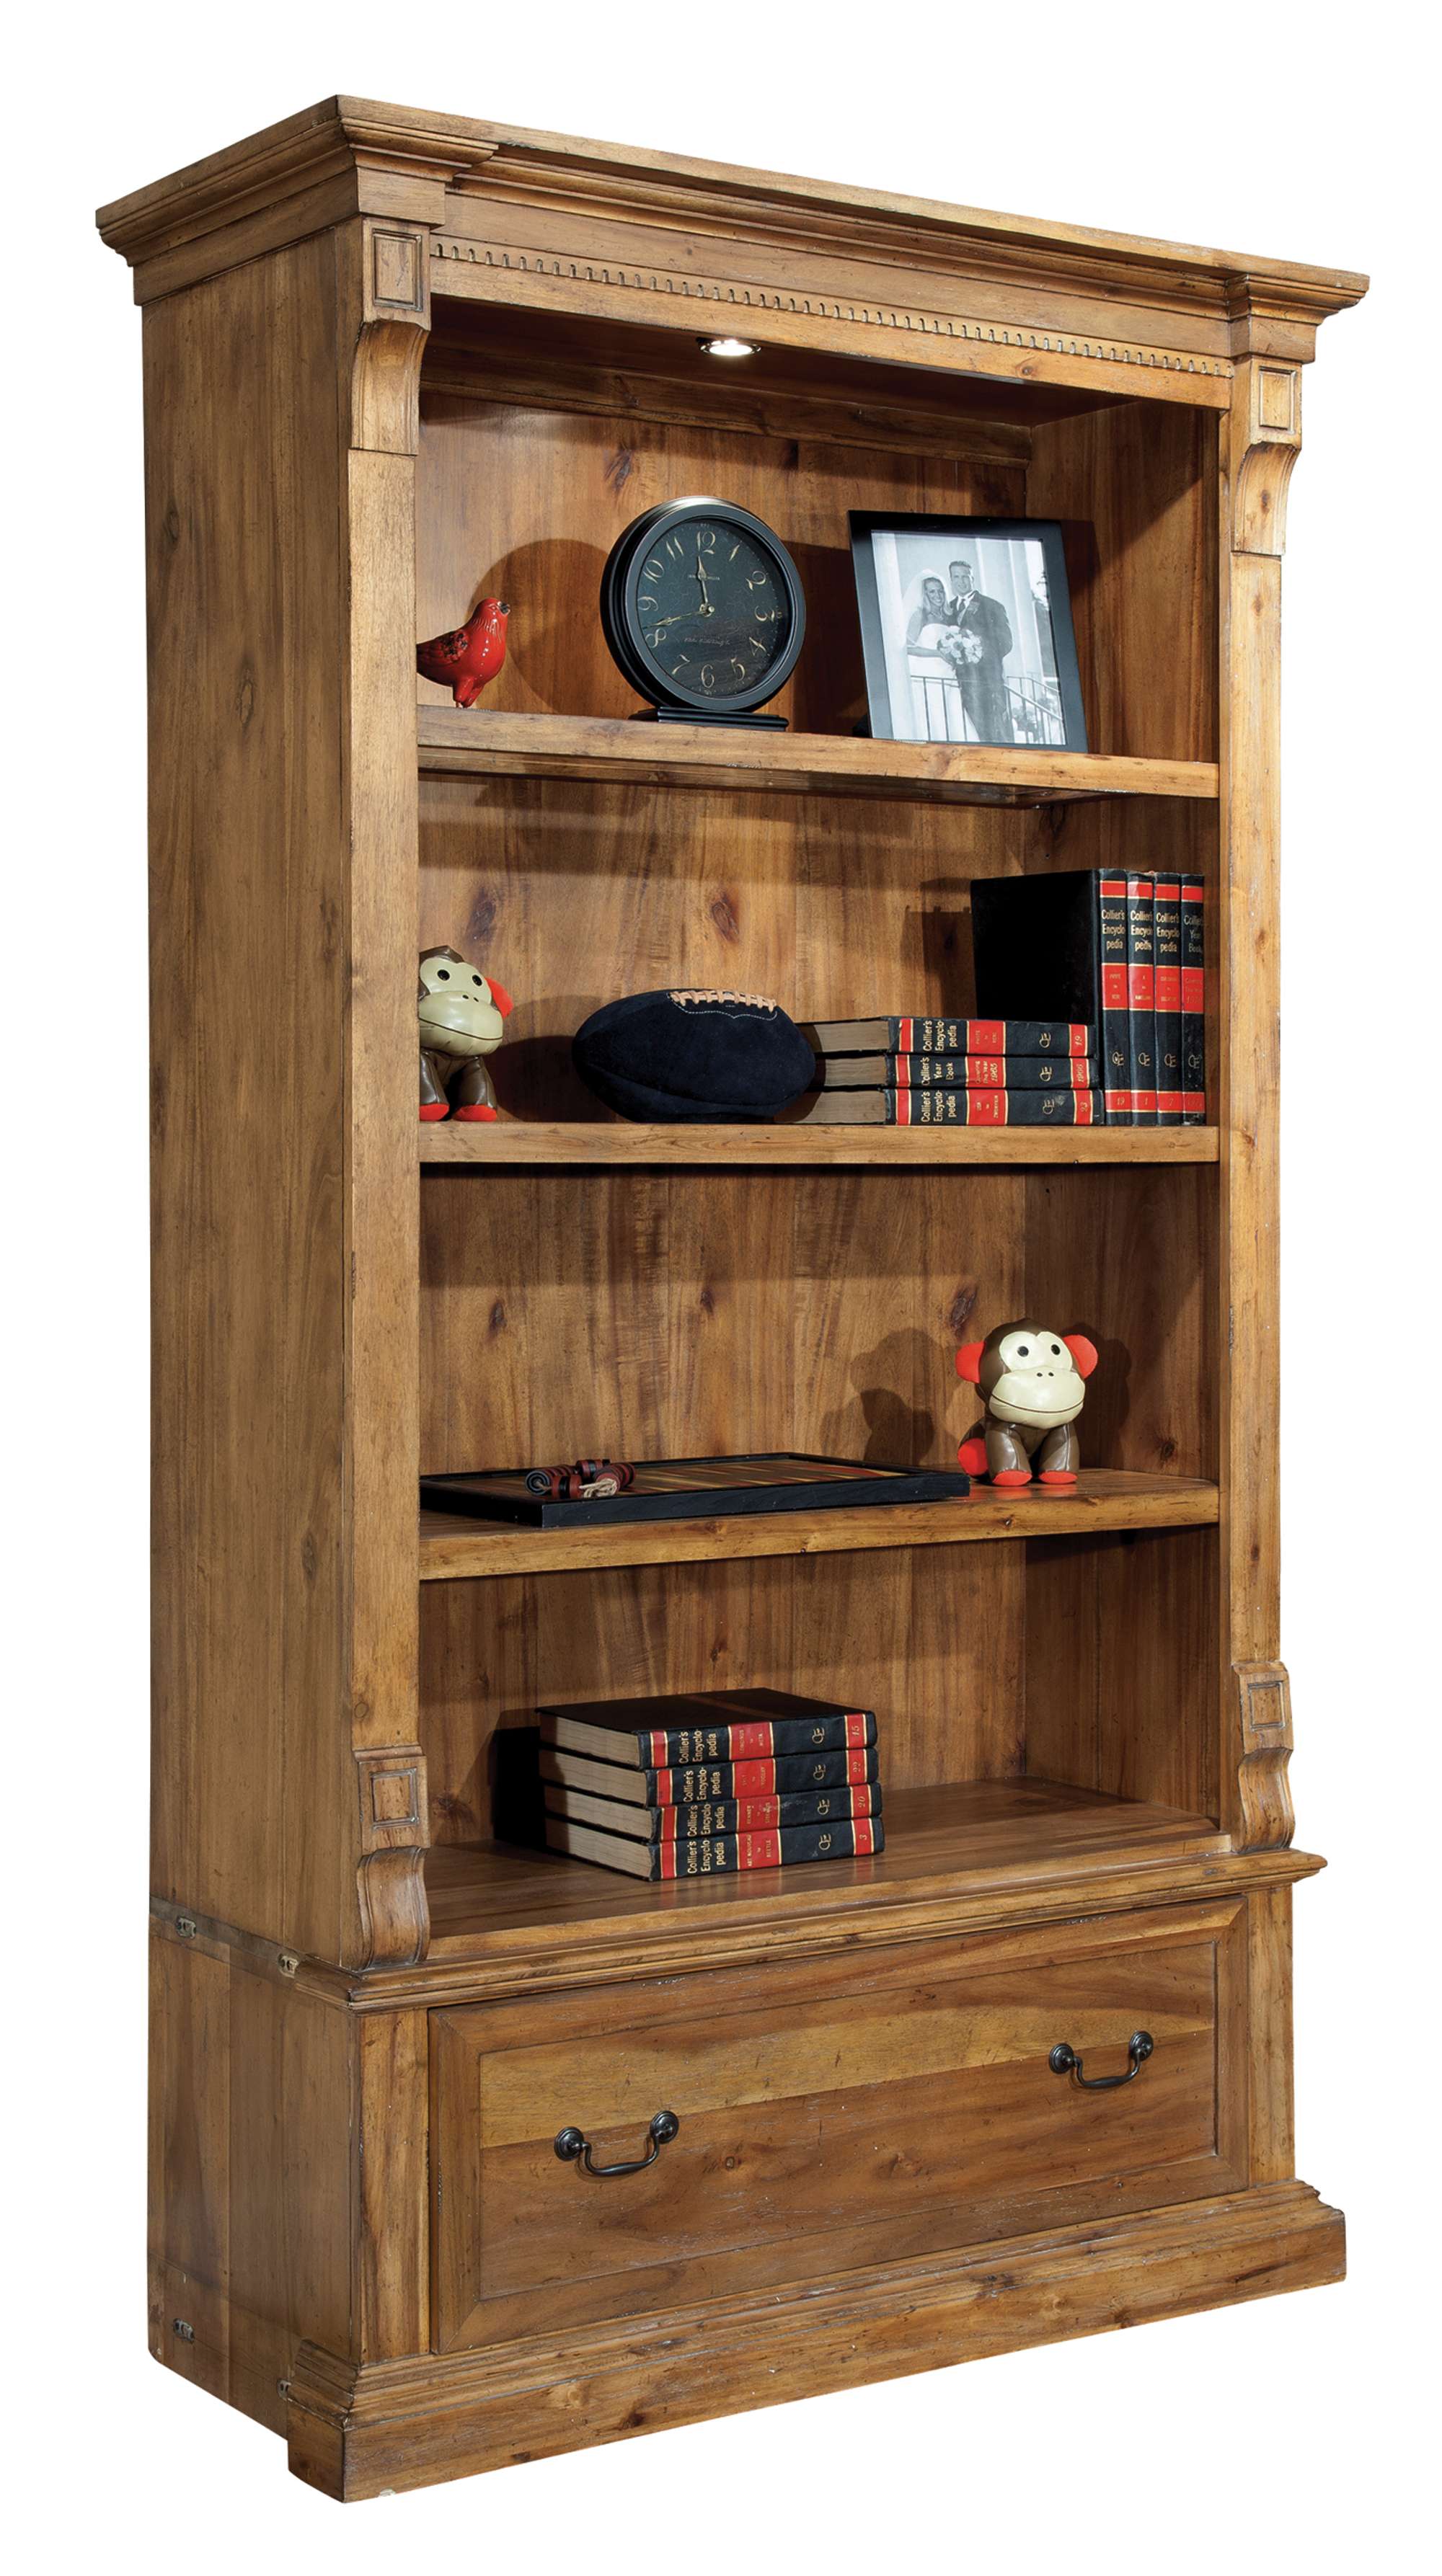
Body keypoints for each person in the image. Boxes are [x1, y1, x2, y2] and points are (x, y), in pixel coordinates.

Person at [945, 557, 1014, 741]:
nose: (961, 581)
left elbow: (1006, 643)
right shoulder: (948, 609)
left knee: (994, 728)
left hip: (987, 679)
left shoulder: (992, 606)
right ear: (951, 580)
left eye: (965, 577)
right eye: (956, 577)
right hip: (958, 681)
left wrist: (976, 650)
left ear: (973, 579)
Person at [905, 573, 952, 649]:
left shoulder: (949, 616)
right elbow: (908, 648)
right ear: (925, 594)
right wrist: (938, 654)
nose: (938, 595)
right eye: (932, 592)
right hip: (927, 661)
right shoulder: (920, 615)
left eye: (940, 591)